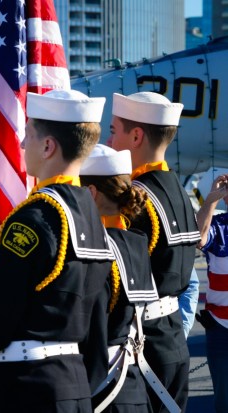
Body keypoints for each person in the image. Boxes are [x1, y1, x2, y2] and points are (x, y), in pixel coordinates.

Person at [0, 90, 113, 412]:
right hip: (75, 386)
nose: (23, 145)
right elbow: (96, 325)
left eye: (29, 135)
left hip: (27, 389)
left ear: (48, 146)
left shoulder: (34, 218)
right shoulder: (90, 212)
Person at [108, 92, 200, 412]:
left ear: (135, 136)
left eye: (113, 130)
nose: (109, 139)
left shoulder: (135, 199)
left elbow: (116, 281)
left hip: (141, 344)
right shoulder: (177, 190)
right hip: (172, 336)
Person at [79, 144, 157, 412]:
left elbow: (93, 334)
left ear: (90, 192)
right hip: (133, 385)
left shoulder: (95, 251)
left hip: (101, 388)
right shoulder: (136, 241)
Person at [195, 173, 228, 413]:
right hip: (221, 327)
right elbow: (199, 237)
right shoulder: (219, 225)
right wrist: (211, 201)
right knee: (224, 401)